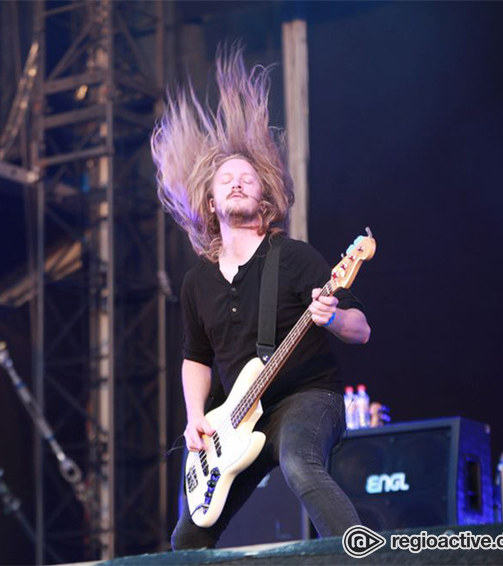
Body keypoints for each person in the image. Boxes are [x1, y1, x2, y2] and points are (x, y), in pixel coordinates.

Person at [151, 47, 371, 549]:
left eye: (247, 179)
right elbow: (195, 358)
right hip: (236, 419)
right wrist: (194, 421)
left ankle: (367, 559)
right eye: (225, 180)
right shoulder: (196, 283)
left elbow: (362, 329)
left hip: (307, 398)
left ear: (263, 201)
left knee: (300, 465)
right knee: (189, 535)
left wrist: (332, 318)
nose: (236, 183)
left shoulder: (292, 257)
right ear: (210, 203)